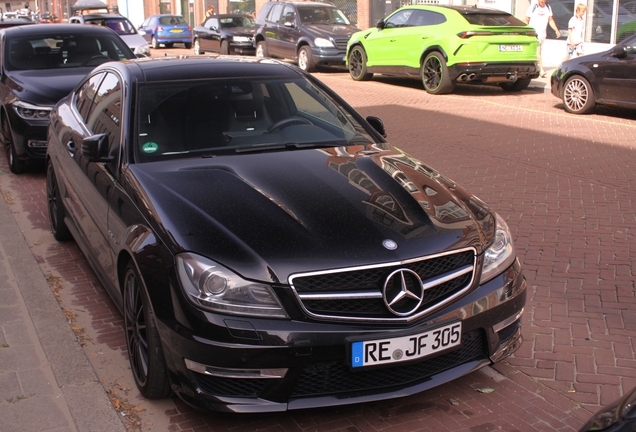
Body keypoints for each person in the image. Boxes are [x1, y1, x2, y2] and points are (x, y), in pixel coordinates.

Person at [525, 0, 561, 77]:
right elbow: (526, 20)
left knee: (537, 51)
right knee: (539, 50)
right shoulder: (533, 7)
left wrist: (556, 30)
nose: (542, 1)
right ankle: (541, 70)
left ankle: (532, 67)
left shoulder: (548, 7)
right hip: (534, 33)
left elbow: (550, 20)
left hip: (542, 34)